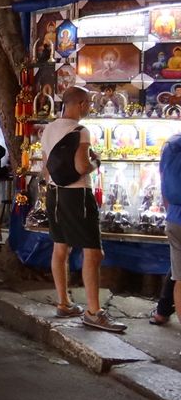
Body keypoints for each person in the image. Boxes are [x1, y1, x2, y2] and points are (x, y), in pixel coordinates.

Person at [41, 87, 126, 332]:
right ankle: (93, 311)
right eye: (88, 103)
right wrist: (96, 162)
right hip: (77, 195)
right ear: (79, 104)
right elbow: (81, 166)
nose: (89, 108)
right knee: (93, 252)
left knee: (60, 248)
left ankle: (64, 302)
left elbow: (46, 169)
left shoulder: (49, 128)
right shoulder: (81, 131)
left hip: (55, 194)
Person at [155, 131, 181, 328]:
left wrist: (169, 211)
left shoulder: (171, 143)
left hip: (175, 219)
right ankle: (162, 310)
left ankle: (162, 311)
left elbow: (163, 180)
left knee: (179, 277)